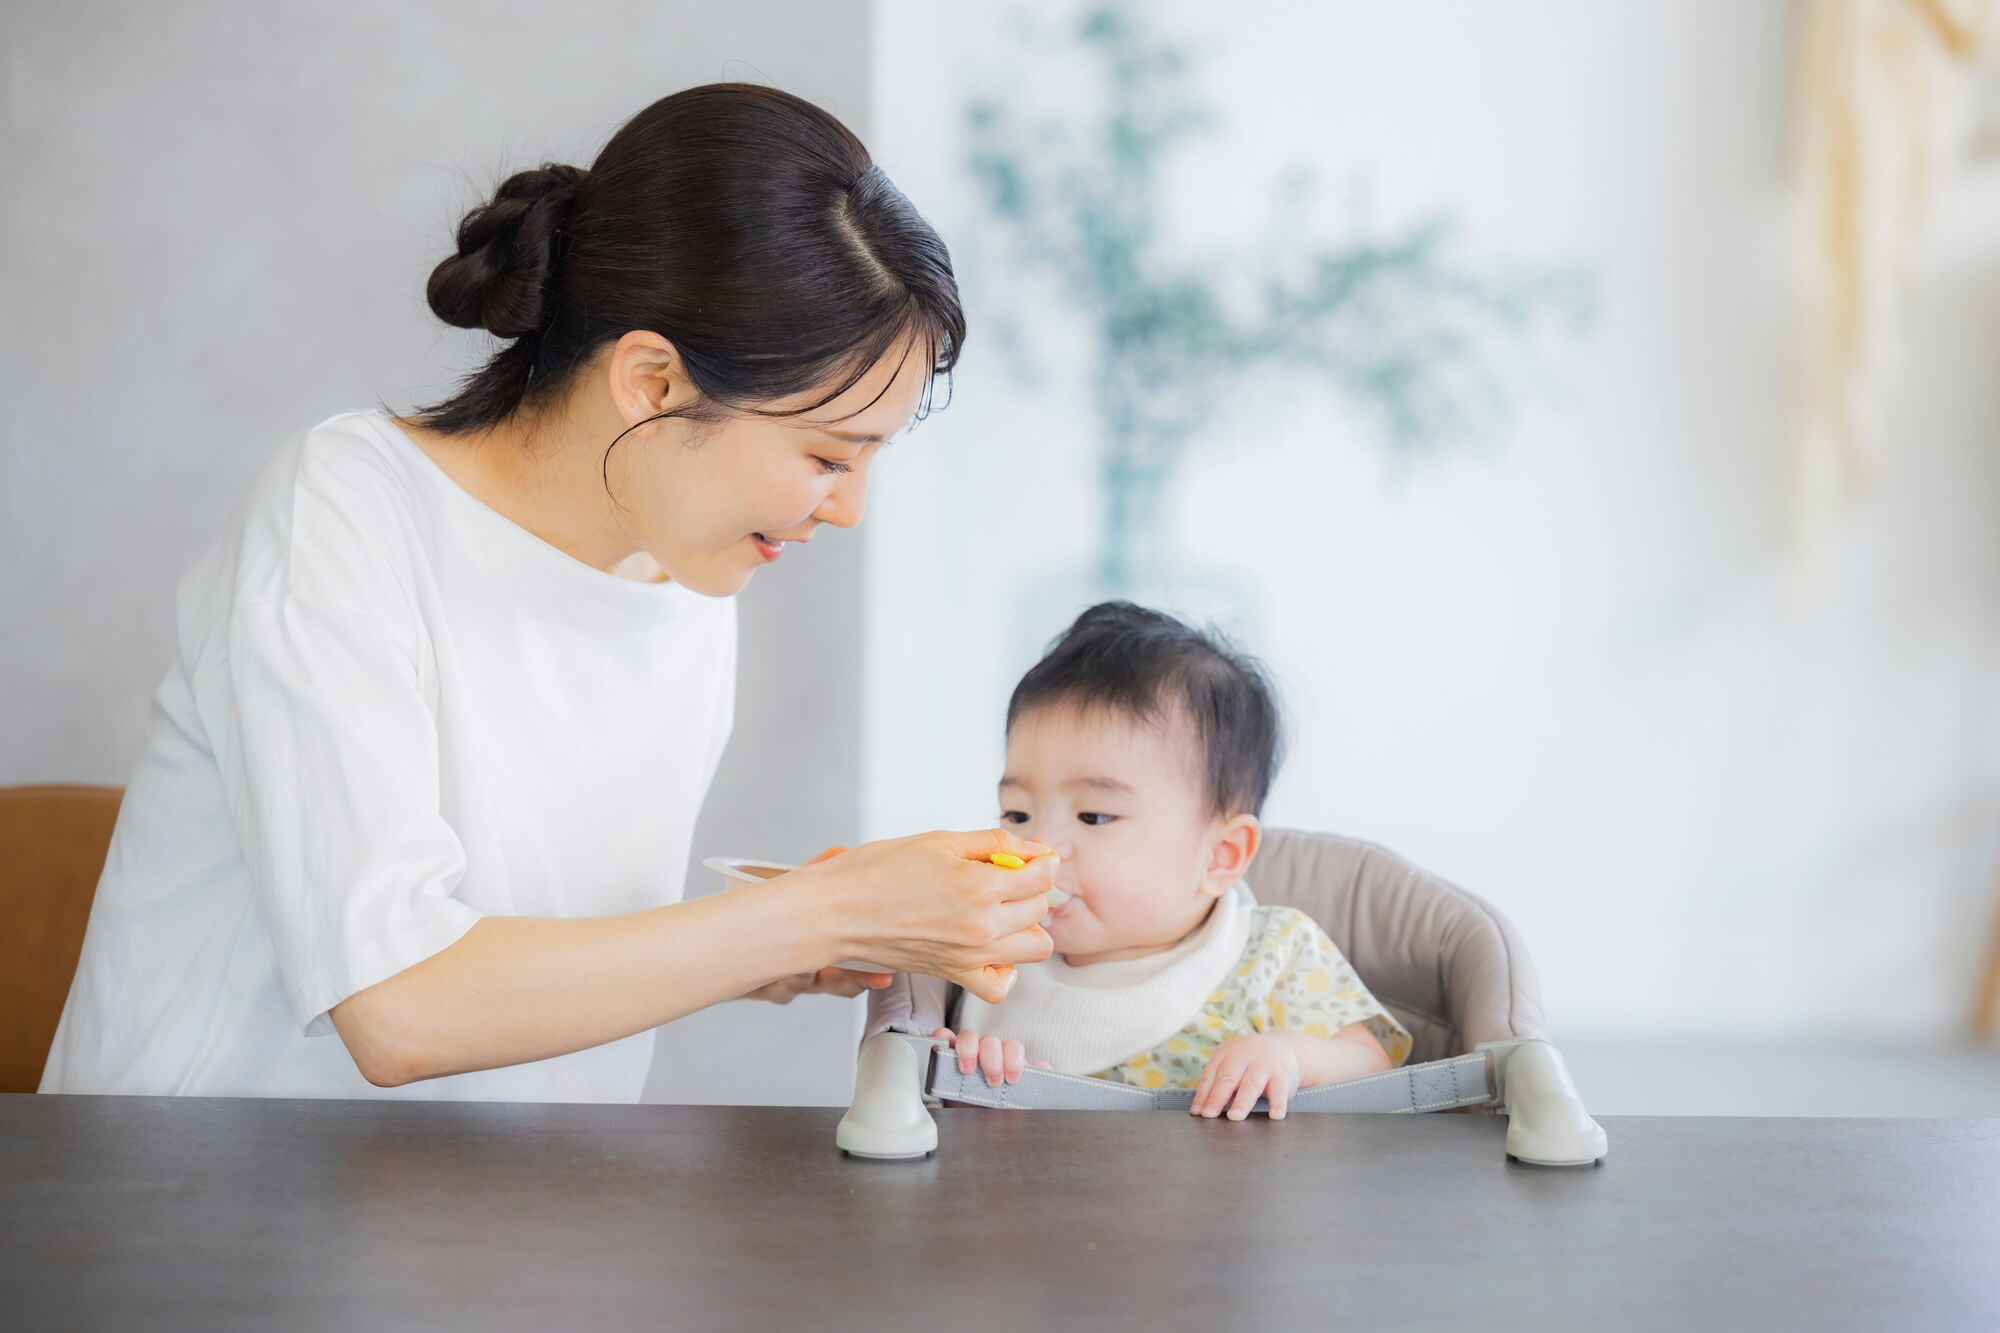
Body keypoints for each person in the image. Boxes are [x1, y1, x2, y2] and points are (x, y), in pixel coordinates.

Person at [41, 83, 1056, 1102]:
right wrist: (821, 912)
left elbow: (538, 939)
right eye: (828, 455)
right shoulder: (343, 509)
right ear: (651, 382)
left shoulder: (689, 573)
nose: (847, 511)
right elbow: (398, 1006)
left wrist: (793, 939)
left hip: (513, 1219)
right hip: (198, 1215)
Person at [935, 603, 1413, 1120]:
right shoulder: (990, 949)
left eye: (1093, 816)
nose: (1039, 847)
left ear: (1220, 857)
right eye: (1018, 813)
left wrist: (1291, 1058)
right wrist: (973, 1072)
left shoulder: (1271, 954)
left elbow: (1374, 1068)